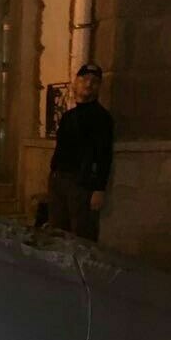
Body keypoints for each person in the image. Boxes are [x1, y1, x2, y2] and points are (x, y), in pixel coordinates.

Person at [48, 63, 114, 241]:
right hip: (59, 180)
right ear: (76, 82)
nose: (89, 84)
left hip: (81, 184)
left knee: (83, 236)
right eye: (85, 79)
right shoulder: (68, 116)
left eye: (94, 81)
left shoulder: (101, 118)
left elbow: (104, 155)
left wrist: (99, 188)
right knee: (57, 235)